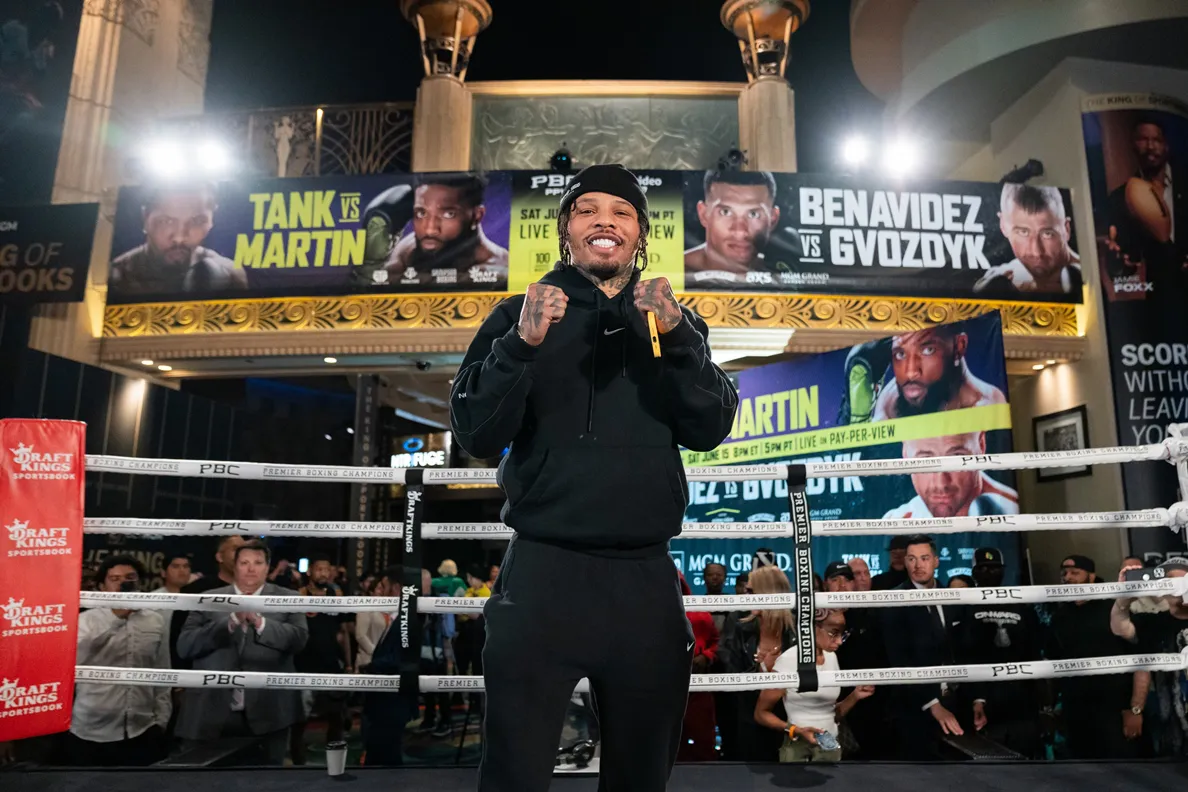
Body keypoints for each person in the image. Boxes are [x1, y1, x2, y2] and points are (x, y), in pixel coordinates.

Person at [450, 163, 738, 792]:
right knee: (513, 778)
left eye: (622, 211)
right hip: (544, 578)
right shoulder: (516, 316)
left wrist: (679, 337)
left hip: (644, 583)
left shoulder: (672, 322)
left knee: (640, 780)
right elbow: (474, 435)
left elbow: (710, 426)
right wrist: (520, 346)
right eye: (587, 209)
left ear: (640, 234)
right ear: (565, 230)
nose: (604, 219)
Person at [176, 541, 308, 766]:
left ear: (267, 567)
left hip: (270, 713)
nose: (251, 568)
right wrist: (230, 621)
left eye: (258, 563)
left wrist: (259, 621)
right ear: (234, 566)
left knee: (265, 782)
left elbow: (299, 640)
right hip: (210, 712)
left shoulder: (288, 598)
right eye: (244, 563)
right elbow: (185, 646)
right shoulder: (208, 598)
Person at [59, 555, 171, 766]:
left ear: (139, 582)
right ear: (102, 586)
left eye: (130, 577)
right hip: (90, 730)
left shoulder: (155, 619)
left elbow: (162, 669)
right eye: (115, 578)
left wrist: (161, 719)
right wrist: (116, 617)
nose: (123, 583)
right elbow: (72, 660)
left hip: (143, 729)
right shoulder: (85, 620)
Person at [881, 535, 973, 759]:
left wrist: (977, 698)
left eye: (924, 558)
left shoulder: (952, 598)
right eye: (911, 559)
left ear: (936, 561)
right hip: (914, 710)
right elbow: (898, 659)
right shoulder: (894, 601)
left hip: (957, 703)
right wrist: (931, 704)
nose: (917, 565)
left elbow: (966, 649)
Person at [1046, 555, 1143, 759]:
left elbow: (1140, 659)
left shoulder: (1113, 609)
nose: (1068, 577)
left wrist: (1134, 709)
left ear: (1091, 576)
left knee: (1122, 770)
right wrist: (1056, 705)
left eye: (1075, 573)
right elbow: (1055, 660)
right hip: (1075, 709)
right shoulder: (1059, 616)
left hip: (1114, 707)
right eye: (1064, 573)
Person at [756, 609, 875, 762]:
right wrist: (796, 730)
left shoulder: (831, 657)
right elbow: (761, 714)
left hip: (829, 746)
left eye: (842, 634)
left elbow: (830, 713)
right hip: (798, 749)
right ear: (812, 628)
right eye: (834, 633)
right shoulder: (789, 660)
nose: (839, 641)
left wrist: (855, 696)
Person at [965, 547, 1043, 757]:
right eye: (983, 569)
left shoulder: (1019, 602)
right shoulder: (964, 604)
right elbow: (965, 654)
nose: (989, 573)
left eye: (994, 568)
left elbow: (1034, 647)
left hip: (1021, 695)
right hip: (985, 696)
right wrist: (976, 698)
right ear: (974, 573)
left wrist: (1042, 694)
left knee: (1027, 756)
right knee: (991, 762)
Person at [718, 565, 799, 763]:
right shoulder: (740, 628)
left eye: (751, 591)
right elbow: (731, 670)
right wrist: (761, 670)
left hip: (792, 720)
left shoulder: (798, 632)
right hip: (750, 720)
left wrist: (778, 670)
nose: (746, 595)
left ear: (769, 593)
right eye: (746, 590)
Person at [109, 185, 246, 298]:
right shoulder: (116, 277)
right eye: (166, 221)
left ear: (211, 221)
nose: (180, 237)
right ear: (145, 218)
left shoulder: (230, 274)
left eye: (197, 221)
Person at [1102, 117, 1187, 295]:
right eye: (1142, 139)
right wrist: (1118, 263)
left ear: (1166, 146)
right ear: (1133, 145)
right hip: (1159, 301)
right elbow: (1123, 270)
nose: (1150, 146)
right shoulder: (1119, 199)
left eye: (1157, 140)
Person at [383, 174, 509, 288]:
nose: (430, 229)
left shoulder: (499, 268)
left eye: (449, 214)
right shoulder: (408, 249)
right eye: (421, 213)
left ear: (477, 216)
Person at [683, 169, 801, 289]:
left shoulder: (781, 275)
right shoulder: (673, 272)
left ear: (773, 219)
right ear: (703, 214)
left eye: (753, 214)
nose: (740, 231)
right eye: (726, 212)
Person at [290, 555, 352, 765]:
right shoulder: (300, 595)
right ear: (310, 572)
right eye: (319, 569)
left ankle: (335, 762)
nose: (323, 574)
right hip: (304, 664)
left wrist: (349, 663)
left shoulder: (336, 594)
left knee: (336, 717)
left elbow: (343, 632)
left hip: (331, 663)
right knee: (300, 718)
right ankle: (298, 761)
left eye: (327, 570)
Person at [871, 325, 1007, 420]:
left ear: (959, 347)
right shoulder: (890, 401)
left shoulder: (986, 406)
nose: (911, 373)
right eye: (900, 354)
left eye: (928, 350)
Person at [975, 184, 1082, 297]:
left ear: (1066, 229)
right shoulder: (1001, 278)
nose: (1036, 252)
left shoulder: (1092, 278)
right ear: (1003, 225)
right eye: (1023, 232)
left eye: (1047, 234)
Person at [883, 433, 1019, 519]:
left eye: (956, 457)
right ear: (905, 454)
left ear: (981, 445)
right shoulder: (898, 520)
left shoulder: (1012, 512)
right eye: (925, 460)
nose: (941, 483)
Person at [172, 535, 246, 670]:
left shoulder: (260, 591)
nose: (242, 554)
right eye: (236, 549)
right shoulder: (195, 590)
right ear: (220, 557)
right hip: (204, 673)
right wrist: (180, 678)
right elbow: (178, 635)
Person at [677, 573, 719, 761]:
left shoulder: (700, 612)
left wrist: (707, 655)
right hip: (666, 684)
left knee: (702, 734)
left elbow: (716, 641)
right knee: (669, 737)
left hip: (698, 682)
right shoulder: (650, 612)